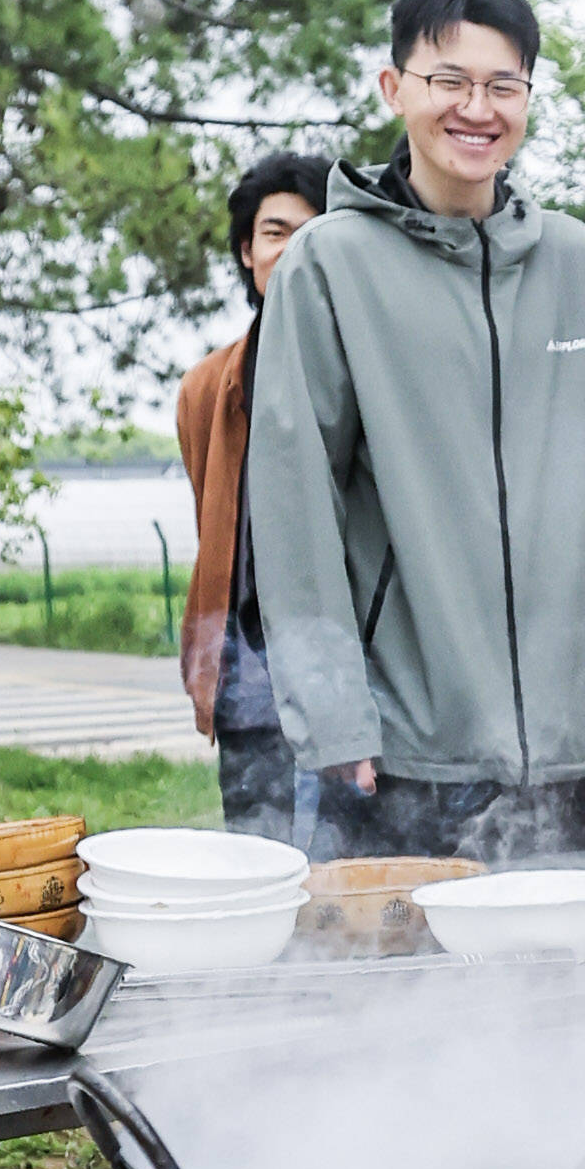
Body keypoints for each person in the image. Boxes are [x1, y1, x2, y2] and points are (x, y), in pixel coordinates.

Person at [243, 0, 585, 863]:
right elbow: (294, 505)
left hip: (572, 747)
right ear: (395, 88)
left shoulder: (577, 264)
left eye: (503, 85)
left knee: (568, 957)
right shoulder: (328, 264)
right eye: (450, 82)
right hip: (406, 751)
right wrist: (332, 714)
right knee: (405, 958)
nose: (477, 109)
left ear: (528, 99)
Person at [175, 146, 333, 840]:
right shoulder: (209, 387)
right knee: (255, 860)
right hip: (248, 675)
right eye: (275, 232)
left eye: (313, 232)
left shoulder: (372, 369)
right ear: (247, 251)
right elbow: (211, 520)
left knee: (351, 869)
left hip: (355, 676)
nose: (293, 250)